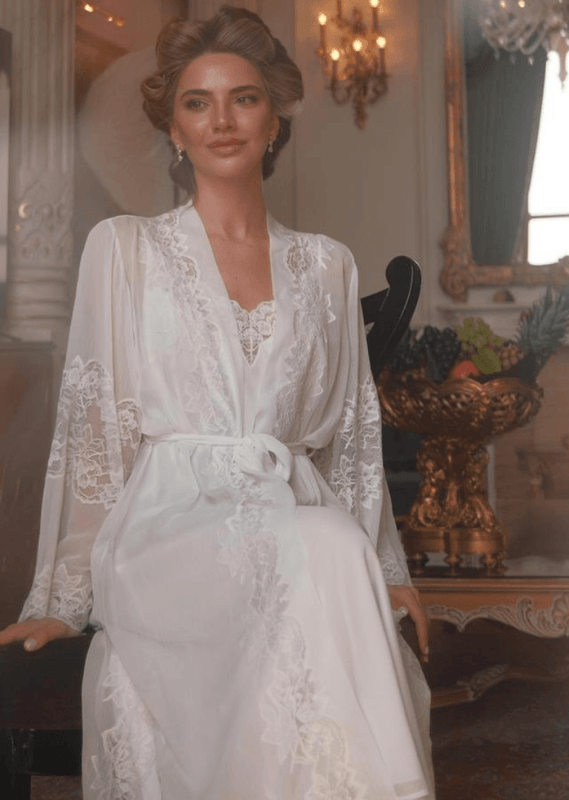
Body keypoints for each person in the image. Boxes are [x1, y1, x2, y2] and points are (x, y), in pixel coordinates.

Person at [0, 7, 434, 799]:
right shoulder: (124, 251)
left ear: (275, 118)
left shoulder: (326, 267)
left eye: (243, 98)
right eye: (198, 102)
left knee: (329, 549)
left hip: (301, 519)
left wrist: (384, 567)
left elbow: (351, 445)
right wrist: (66, 597)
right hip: (165, 530)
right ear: (173, 127)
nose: (221, 120)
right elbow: (94, 435)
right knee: (325, 550)